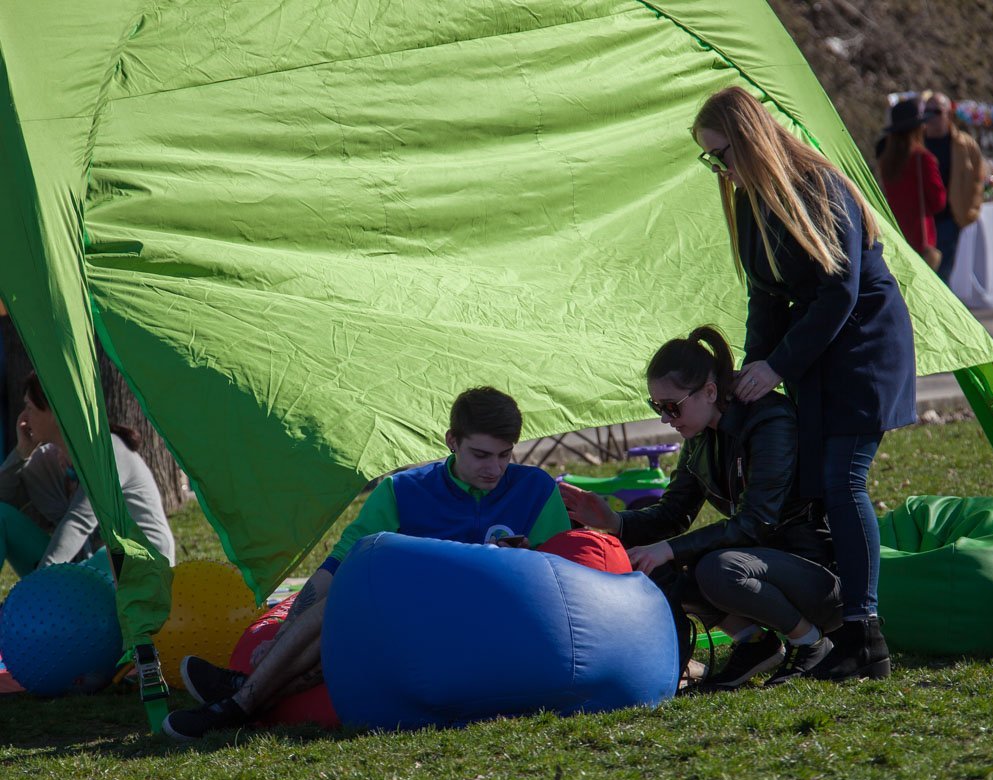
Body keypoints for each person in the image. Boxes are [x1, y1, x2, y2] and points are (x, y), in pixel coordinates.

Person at [162, 386, 571, 740]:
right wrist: (283, 633)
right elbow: (336, 567)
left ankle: (242, 696)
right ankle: (242, 700)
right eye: (481, 455)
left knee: (346, 617)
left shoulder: (535, 489)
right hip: (413, 628)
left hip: (498, 629)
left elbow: (564, 573)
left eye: (504, 455)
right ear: (452, 440)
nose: (495, 469)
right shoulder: (404, 491)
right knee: (339, 608)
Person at [691, 86, 917, 681]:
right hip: (816, 353)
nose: (719, 168)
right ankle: (836, 632)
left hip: (864, 346)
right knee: (819, 482)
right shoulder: (749, 201)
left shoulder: (818, 185)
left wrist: (778, 368)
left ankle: (865, 637)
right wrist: (751, 368)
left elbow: (840, 291)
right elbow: (764, 297)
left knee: (844, 481)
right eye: (710, 159)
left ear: (749, 140)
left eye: (722, 154)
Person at [560, 327, 843, 689]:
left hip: (815, 574)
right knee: (656, 565)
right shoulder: (700, 437)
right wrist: (612, 521)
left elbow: (756, 523)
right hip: (764, 565)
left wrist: (668, 549)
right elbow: (674, 514)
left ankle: (812, 643)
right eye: (656, 407)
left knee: (718, 568)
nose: (665, 417)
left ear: (710, 391)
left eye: (671, 406)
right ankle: (755, 643)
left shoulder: (771, 420)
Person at [0, 372, 175, 576]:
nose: (24, 419)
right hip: (83, 568)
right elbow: (4, 501)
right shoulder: (45, 460)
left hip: (142, 564)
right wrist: (22, 453)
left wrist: (39, 583)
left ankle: (47, 595)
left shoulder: (108, 450)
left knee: (112, 552)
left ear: (55, 411)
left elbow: (79, 521)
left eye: (29, 407)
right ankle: (52, 595)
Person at [922, 92, 986, 283]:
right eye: (927, 111)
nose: (931, 116)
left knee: (942, 274)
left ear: (948, 114)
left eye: (936, 111)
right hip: (921, 219)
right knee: (923, 274)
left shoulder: (964, 144)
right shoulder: (917, 142)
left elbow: (977, 179)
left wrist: (970, 211)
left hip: (950, 217)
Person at [877, 98, 947, 268]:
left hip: (894, 234)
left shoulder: (884, 160)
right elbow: (938, 202)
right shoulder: (923, 158)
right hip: (919, 238)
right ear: (917, 128)